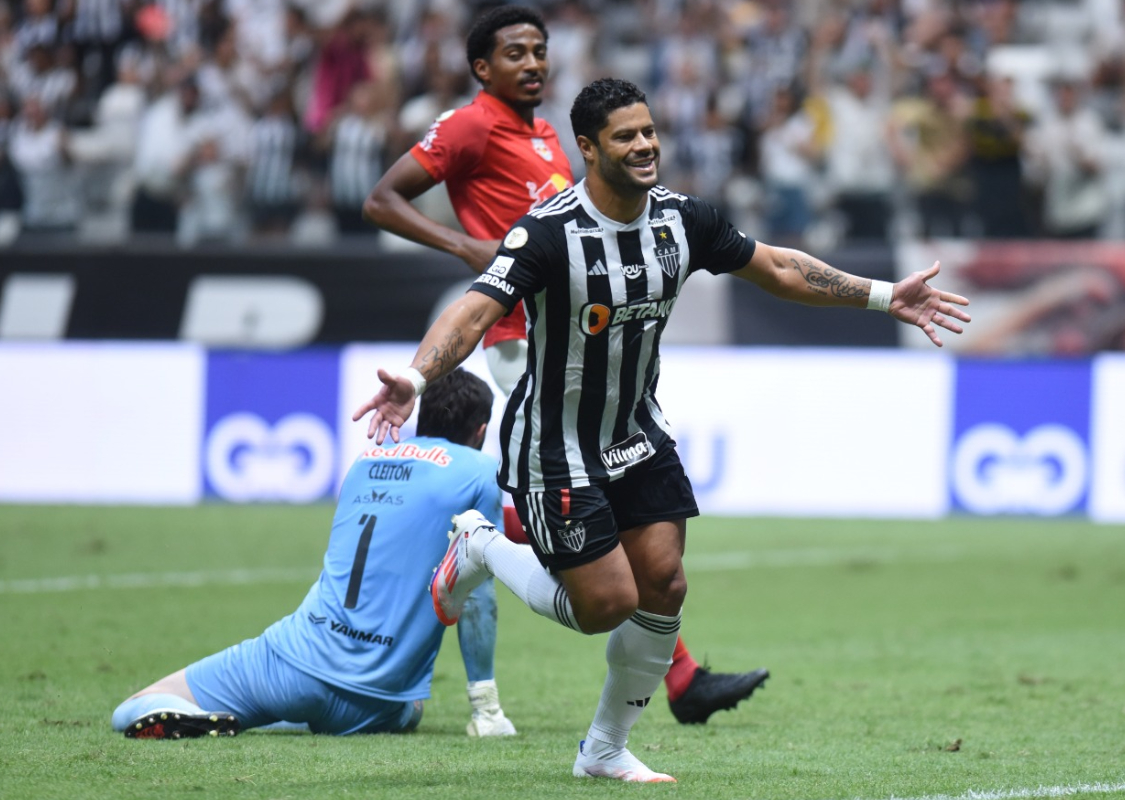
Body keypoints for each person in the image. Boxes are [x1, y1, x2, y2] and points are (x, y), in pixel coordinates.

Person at [353, 78, 971, 782]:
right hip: (554, 445)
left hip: (636, 433)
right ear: (588, 148)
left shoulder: (684, 219)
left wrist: (885, 295)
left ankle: (604, 751)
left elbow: (775, 267)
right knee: (604, 605)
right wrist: (418, 376)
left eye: (648, 131)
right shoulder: (548, 232)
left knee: (664, 584)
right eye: (626, 136)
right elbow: (473, 312)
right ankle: (482, 546)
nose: (645, 145)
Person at [362, 5, 769, 726]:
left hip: (578, 338)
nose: (534, 63)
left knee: (613, 529)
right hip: (526, 339)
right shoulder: (470, 126)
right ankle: (481, 552)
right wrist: (464, 247)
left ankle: (674, 678)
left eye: (541, 50)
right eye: (515, 52)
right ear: (482, 68)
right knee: (564, 497)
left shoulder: (549, 136)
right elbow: (382, 198)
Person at [112, 369, 519, 739]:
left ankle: (230, 715)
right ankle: (308, 714)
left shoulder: (365, 461)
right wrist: (486, 708)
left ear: (421, 414)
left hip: (291, 664)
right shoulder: (480, 471)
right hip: (378, 700)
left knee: (132, 709)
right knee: (412, 710)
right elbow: (475, 594)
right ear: (481, 431)